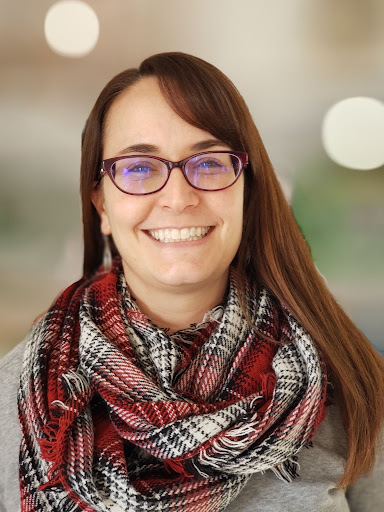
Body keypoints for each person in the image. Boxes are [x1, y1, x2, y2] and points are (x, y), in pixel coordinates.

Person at [0, 52, 383, 512]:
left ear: (247, 190)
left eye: (209, 163)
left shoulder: (351, 382)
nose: (178, 198)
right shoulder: (20, 392)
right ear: (101, 205)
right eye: (139, 168)